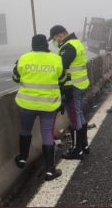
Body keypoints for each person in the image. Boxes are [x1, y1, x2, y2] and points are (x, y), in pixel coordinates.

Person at [13, 34, 65, 181]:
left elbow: (16, 77)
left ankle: (22, 158)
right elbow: (62, 79)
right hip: (48, 104)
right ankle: (49, 170)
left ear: (33, 44)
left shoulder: (24, 58)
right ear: (46, 45)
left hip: (26, 103)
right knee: (47, 134)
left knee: (25, 130)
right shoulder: (56, 59)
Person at [48, 25, 90, 160]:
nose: (55, 42)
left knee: (74, 118)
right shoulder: (77, 43)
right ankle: (84, 145)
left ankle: (77, 150)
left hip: (72, 87)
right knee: (79, 115)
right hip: (81, 84)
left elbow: (61, 68)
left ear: (60, 35)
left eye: (55, 38)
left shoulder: (68, 47)